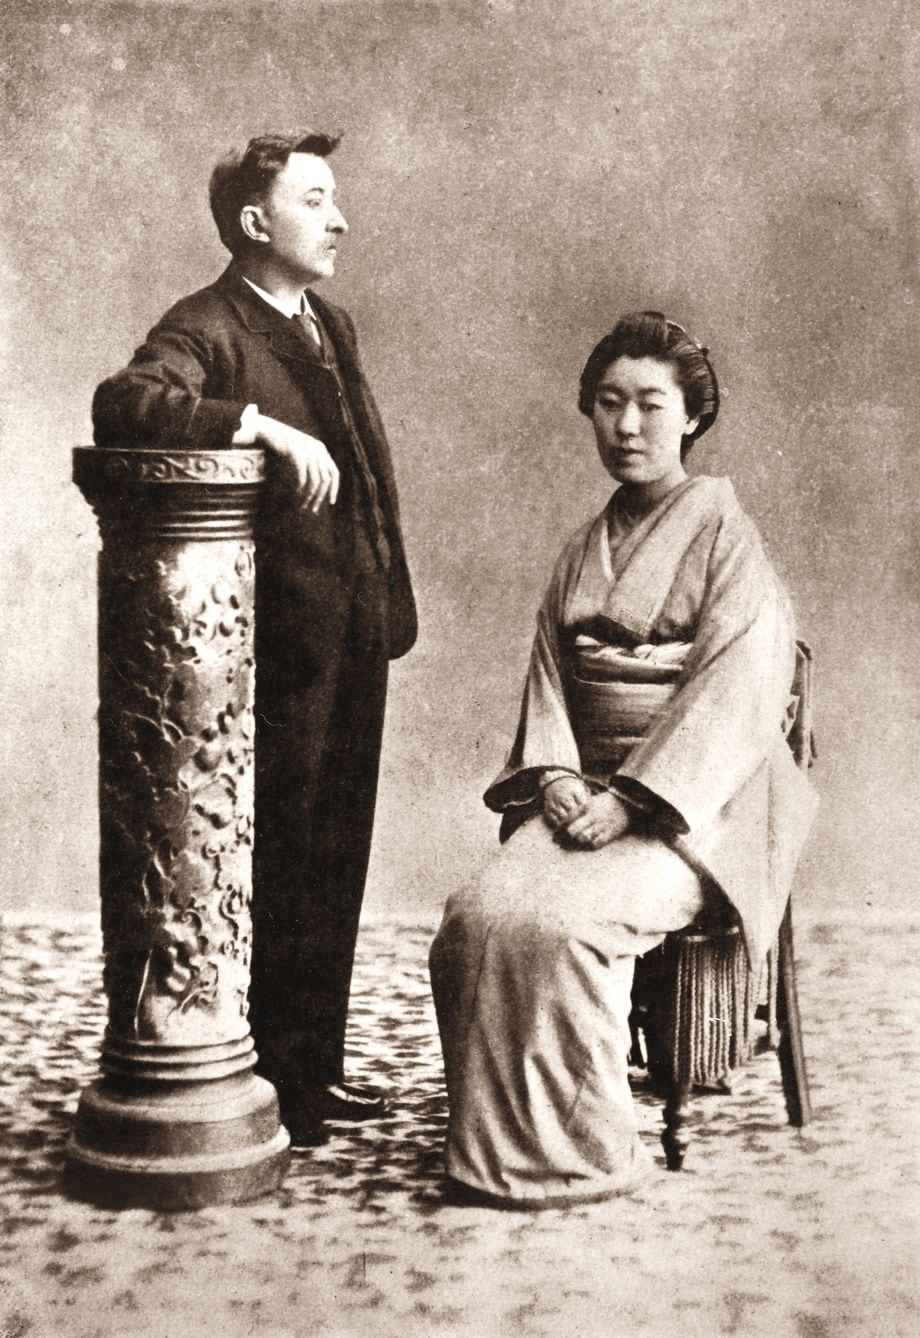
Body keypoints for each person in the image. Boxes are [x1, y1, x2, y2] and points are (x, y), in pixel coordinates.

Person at [429, 311, 817, 1207]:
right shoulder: (581, 549)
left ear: (692, 416)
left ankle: (585, 1154)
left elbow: (737, 691)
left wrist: (636, 800)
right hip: (586, 791)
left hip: (698, 807)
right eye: (609, 403)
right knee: (473, 921)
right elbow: (549, 680)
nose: (627, 425)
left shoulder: (728, 538)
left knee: (568, 928)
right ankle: (492, 1150)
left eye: (650, 404)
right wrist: (558, 777)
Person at [93, 132, 417, 1146]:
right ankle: (273, 1080)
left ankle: (314, 1071)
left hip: (353, 629)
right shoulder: (208, 323)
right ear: (252, 221)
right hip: (275, 654)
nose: (338, 220)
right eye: (314, 200)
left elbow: (362, 471)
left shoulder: (329, 322)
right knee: (275, 859)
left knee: (335, 856)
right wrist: (257, 427)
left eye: (333, 199)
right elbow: (125, 402)